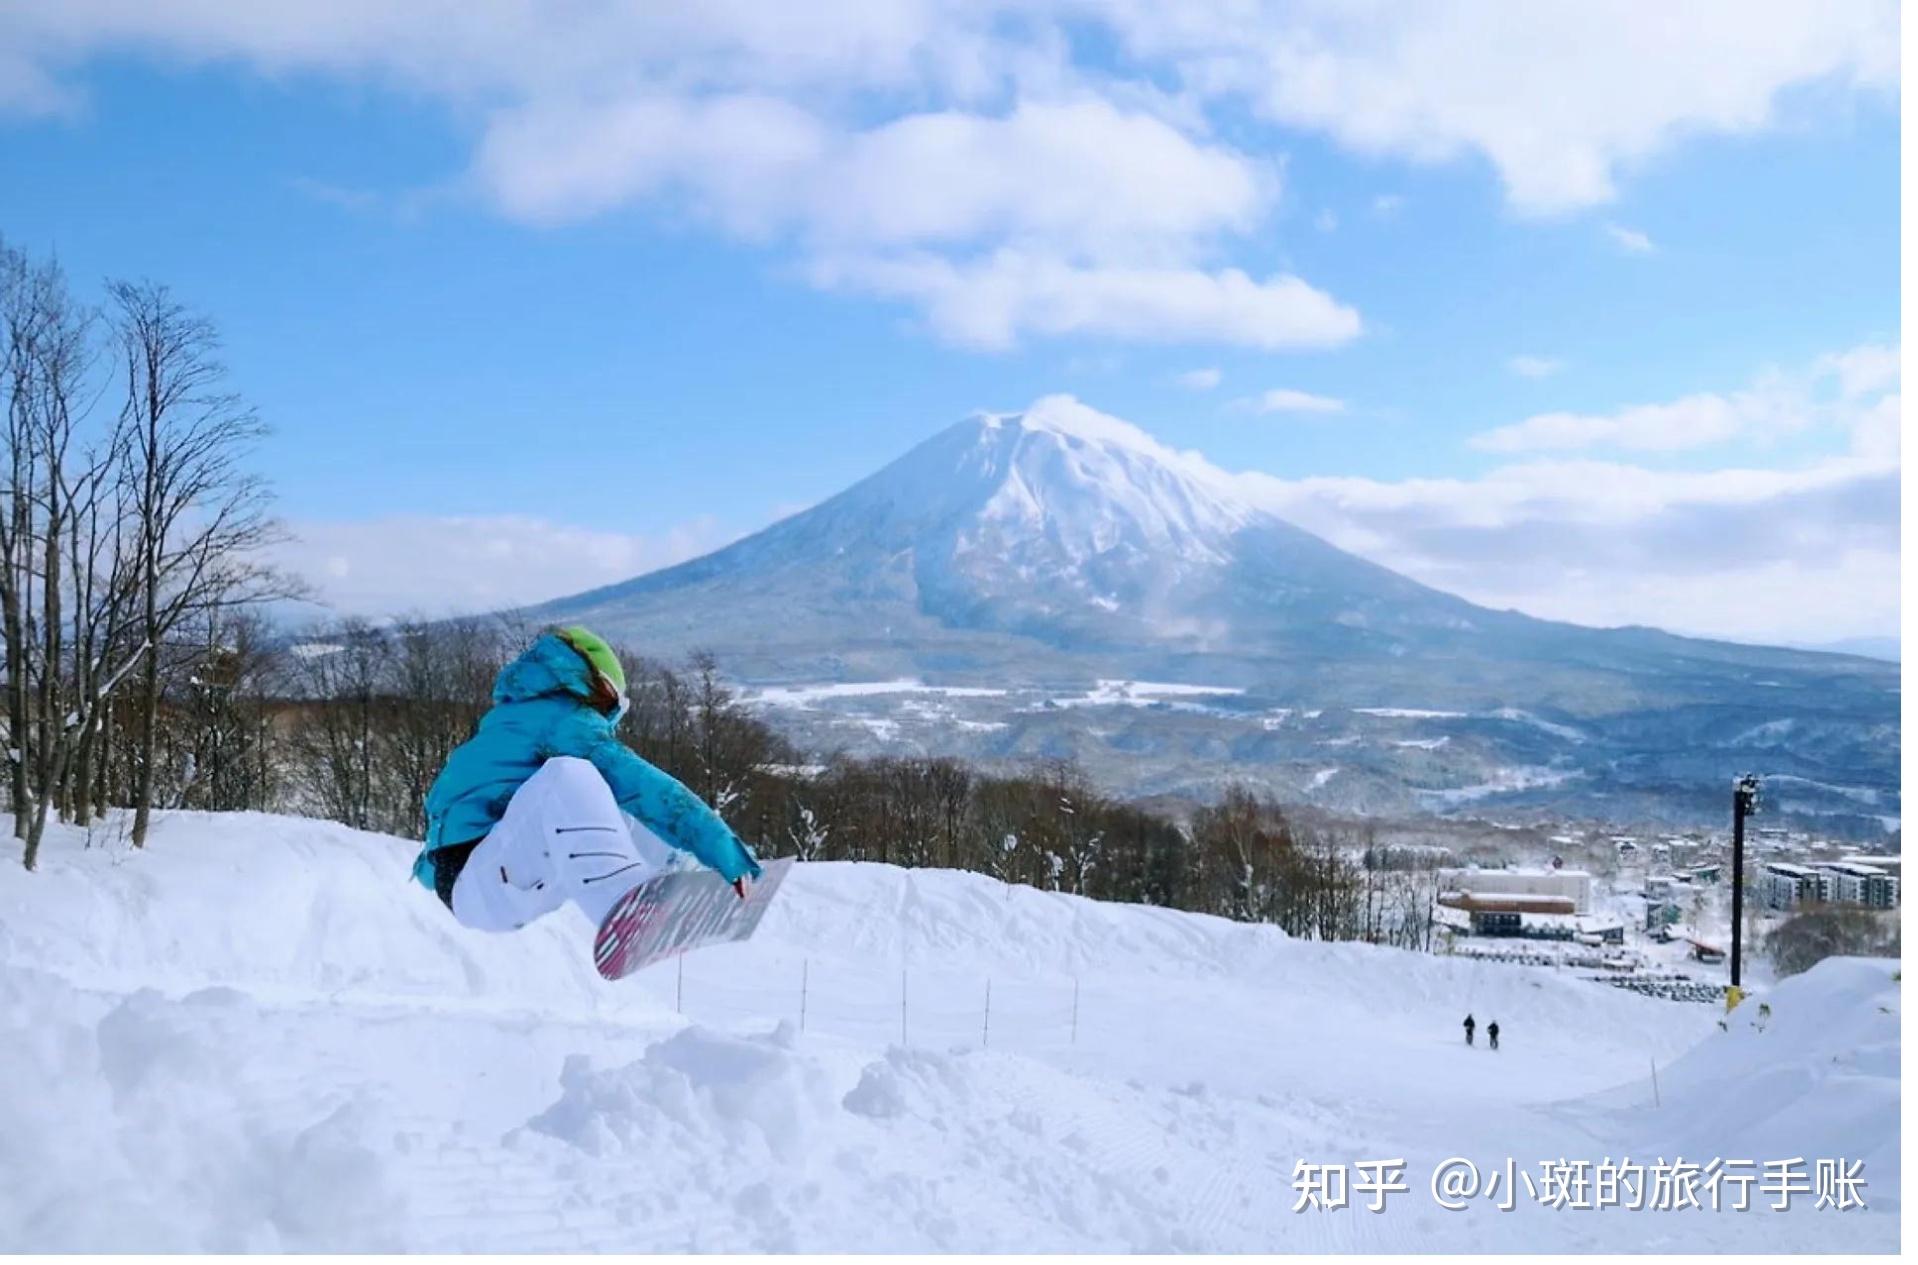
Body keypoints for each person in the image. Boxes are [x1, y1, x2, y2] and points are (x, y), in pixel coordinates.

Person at [411, 626, 761, 937]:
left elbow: (450, 823)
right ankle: (624, 903)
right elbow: (646, 787)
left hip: (483, 883)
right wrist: (722, 848)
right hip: (484, 879)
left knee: (605, 803)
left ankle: (673, 875)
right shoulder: (563, 719)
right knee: (571, 777)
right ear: (598, 687)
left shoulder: (508, 722)